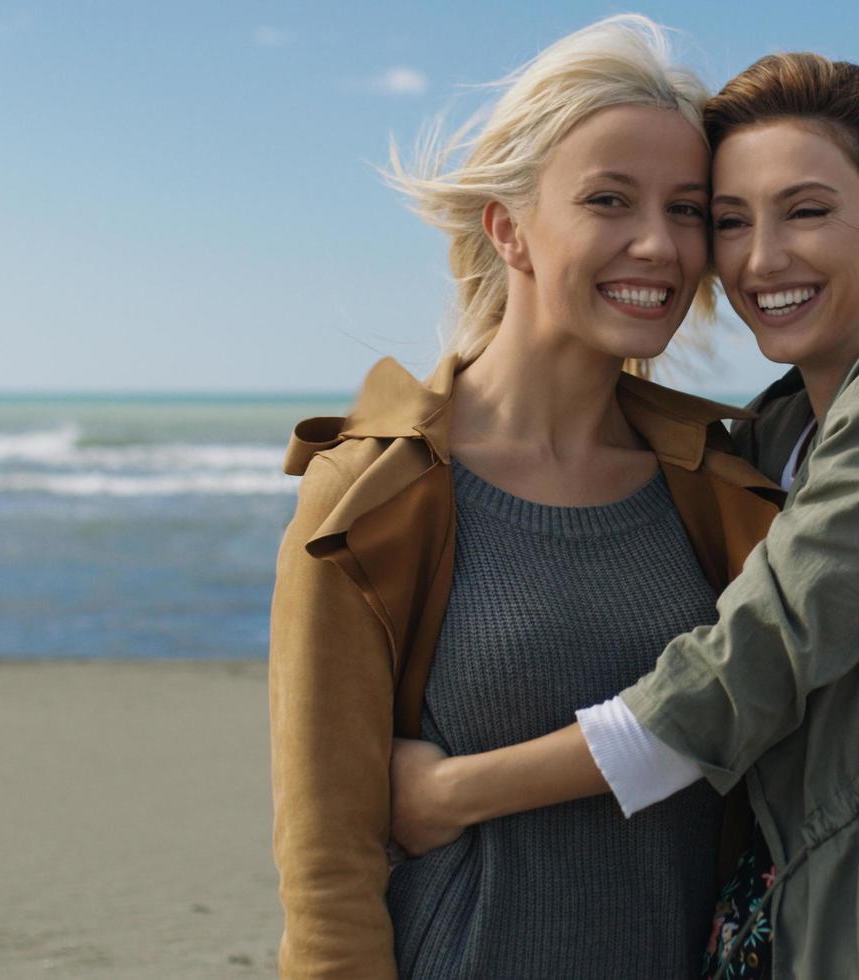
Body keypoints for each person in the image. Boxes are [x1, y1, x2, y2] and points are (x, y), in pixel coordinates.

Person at [390, 52, 859, 978]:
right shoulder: (768, 436)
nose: (761, 259)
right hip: (787, 937)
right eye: (726, 220)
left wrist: (451, 793)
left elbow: (748, 664)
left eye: (806, 211)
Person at [267, 16, 780, 979]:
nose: (658, 246)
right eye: (608, 199)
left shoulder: (724, 486)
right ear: (510, 228)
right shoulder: (376, 495)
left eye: (686, 210)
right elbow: (327, 872)